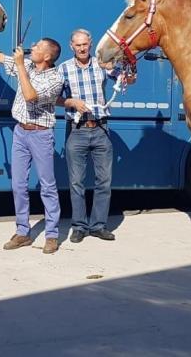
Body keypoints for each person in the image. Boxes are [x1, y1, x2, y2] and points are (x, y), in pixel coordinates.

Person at [0, 38, 65, 254]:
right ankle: (22, 232)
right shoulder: (27, 64)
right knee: (18, 185)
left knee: (47, 186)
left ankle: (51, 235)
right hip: (20, 132)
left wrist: (20, 65)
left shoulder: (55, 78)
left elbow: (30, 97)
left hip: (41, 134)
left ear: (47, 57)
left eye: (38, 47)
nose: (33, 48)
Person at [58, 29, 132, 243]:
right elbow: (53, 98)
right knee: (76, 183)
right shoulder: (64, 69)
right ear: (71, 46)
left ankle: (98, 225)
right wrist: (70, 102)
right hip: (77, 130)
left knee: (104, 182)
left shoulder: (102, 64)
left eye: (85, 44)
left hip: (100, 129)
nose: (82, 48)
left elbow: (125, 79)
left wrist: (129, 72)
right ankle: (79, 226)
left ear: (90, 44)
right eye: (78, 45)